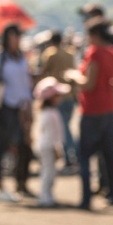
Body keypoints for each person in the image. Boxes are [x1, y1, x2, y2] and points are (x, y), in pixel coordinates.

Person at [76, 17, 113, 211]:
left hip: (91, 110)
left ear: (94, 35)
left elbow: (88, 83)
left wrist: (73, 77)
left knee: (84, 156)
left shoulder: (95, 53)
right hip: (108, 108)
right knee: (109, 155)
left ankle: (85, 199)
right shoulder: (112, 52)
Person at [0, 23, 34, 202]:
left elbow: (25, 84)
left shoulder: (20, 58)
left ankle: (21, 182)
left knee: (24, 145)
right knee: (2, 146)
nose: (15, 40)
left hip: (20, 107)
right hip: (4, 108)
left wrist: (29, 105)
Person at [38, 30, 79, 172]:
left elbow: (44, 73)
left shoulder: (50, 54)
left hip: (57, 97)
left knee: (63, 130)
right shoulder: (70, 54)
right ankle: (72, 155)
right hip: (70, 95)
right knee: (66, 127)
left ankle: (71, 157)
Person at [33, 76, 71, 208]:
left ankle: (47, 195)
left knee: (48, 171)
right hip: (48, 146)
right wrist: (57, 148)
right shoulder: (50, 114)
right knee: (49, 172)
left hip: (45, 145)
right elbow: (53, 134)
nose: (59, 98)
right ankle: (45, 196)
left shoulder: (46, 112)